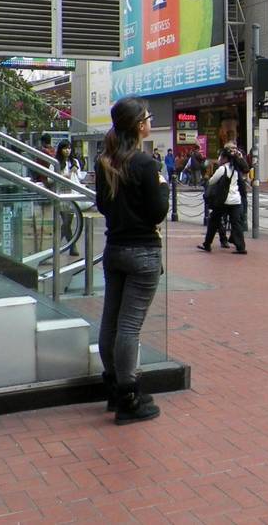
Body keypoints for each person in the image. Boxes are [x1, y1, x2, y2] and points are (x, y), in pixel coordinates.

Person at [94, 97, 167, 425]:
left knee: (111, 321)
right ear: (139, 125)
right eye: (148, 117)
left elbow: (103, 206)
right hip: (143, 253)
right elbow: (157, 212)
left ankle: (113, 387)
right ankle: (128, 397)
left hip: (115, 250)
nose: (150, 121)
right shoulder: (145, 164)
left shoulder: (105, 162)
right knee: (129, 327)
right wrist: (163, 188)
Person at [198, 146, 247, 254]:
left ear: (224, 158)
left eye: (221, 157)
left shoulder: (222, 169)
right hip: (236, 200)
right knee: (236, 224)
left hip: (223, 201)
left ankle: (207, 244)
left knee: (213, 221)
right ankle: (241, 247)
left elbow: (212, 181)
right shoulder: (236, 168)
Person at [54, 140, 82, 257]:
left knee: (67, 222)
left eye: (69, 148)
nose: (67, 150)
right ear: (60, 150)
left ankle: (59, 245)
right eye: (65, 148)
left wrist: (75, 170)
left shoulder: (74, 162)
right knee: (66, 223)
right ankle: (71, 247)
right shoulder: (55, 162)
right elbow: (50, 178)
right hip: (61, 194)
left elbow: (79, 176)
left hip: (73, 194)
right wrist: (64, 175)